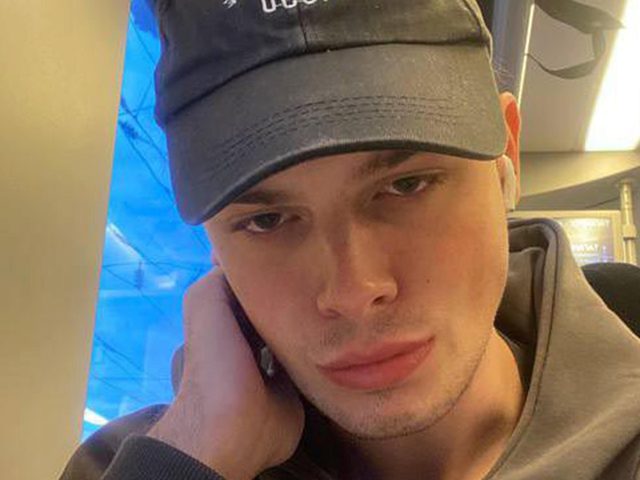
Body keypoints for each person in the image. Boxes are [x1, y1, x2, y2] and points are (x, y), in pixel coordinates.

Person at [60, 0, 640, 479]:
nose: (354, 290)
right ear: (216, 249)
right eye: (266, 220)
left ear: (505, 157)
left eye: (406, 185)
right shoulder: (132, 463)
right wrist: (191, 459)